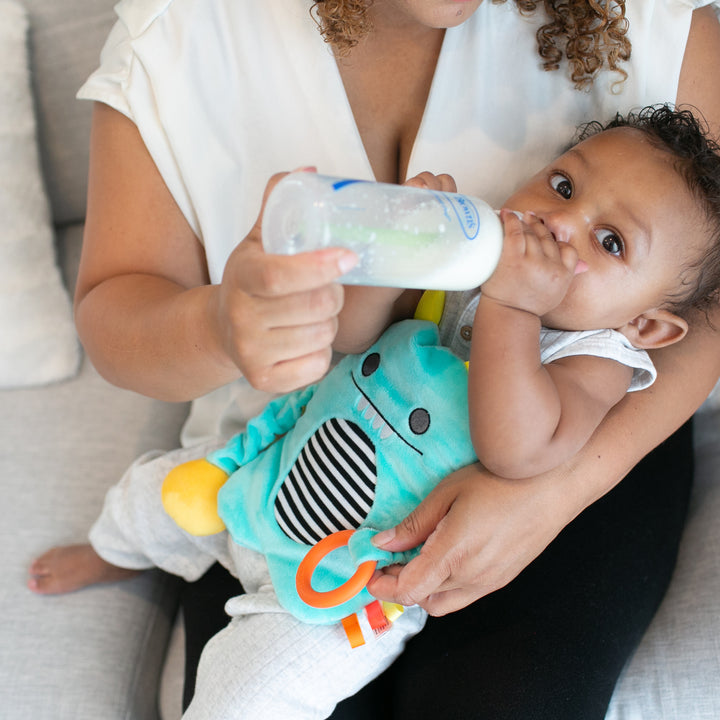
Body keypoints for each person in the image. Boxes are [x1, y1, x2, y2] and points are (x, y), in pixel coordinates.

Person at [28, 0, 720, 717]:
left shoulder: (593, 348)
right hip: (311, 438)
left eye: (610, 241)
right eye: (563, 187)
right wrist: (241, 317)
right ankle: (123, 547)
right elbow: (352, 339)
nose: (559, 224)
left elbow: (530, 440)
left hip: (506, 503)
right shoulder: (181, 33)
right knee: (171, 525)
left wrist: (546, 499)